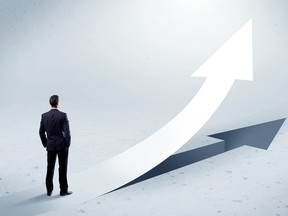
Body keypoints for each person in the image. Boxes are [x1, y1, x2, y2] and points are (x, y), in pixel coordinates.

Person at [39, 95, 73, 196]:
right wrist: (67, 144)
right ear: (58, 103)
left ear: (50, 103)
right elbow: (67, 132)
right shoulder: (63, 115)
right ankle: (63, 190)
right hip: (62, 146)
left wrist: (46, 143)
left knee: (50, 167)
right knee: (62, 168)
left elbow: (41, 132)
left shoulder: (44, 116)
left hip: (50, 146)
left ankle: (49, 190)